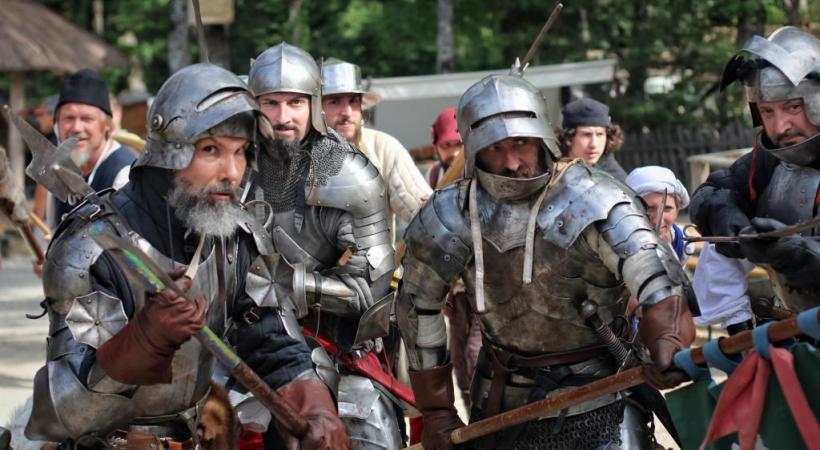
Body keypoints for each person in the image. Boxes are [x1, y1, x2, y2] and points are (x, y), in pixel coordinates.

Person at [24, 63, 347, 450]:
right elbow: (68, 411)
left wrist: (315, 411)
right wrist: (143, 341)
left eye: (240, 152)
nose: (231, 172)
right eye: (211, 150)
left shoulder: (235, 238)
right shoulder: (87, 246)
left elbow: (276, 345)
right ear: (169, 154)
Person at [397, 72, 695, 450]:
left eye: (520, 143)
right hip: (499, 403)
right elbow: (417, 306)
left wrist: (667, 338)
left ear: (542, 139)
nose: (510, 163)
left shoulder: (594, 197)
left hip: (601, 392)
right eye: (494, 148)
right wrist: (438, 410)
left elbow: (655, 274)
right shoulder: (452, 213)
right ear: (473, 151)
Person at [247, 42, 403, 449]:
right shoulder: (233, 163)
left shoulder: (347, 173)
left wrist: (289, 283)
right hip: (239, 341)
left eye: (295, 103)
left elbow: (370, 290)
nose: (283, 117)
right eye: (271, 103)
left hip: (329, 343)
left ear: (313, 105)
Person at [689, 26, 820, 312]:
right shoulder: (770, 160)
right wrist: (728, 218)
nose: (780, 127)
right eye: (768, 111)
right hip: (797, 329)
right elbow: (712, 191)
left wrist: (805, 256)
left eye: (793, 107)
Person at [321, 57, 431, 231]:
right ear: (316, 108)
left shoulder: (384, 148)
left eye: (353, 101)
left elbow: (422, 214)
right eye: (334, 101)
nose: (347, 112)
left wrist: (433, 214)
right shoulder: (298, 156)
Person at [625, 165, 691, 260]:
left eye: (667, 209)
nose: (657, 221)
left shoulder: (683, 243)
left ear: (677, 210)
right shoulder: (617, 249)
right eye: (648, 209)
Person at [556, 97, 628, 181]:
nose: (594, 144)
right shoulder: (549, 168)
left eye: (600, 134)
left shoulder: (615, 177)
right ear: (568, 137)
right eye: (586, 135)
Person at [426, 107, 463, 188]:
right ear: (436, 147)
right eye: (446, 145)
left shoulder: (480, 177)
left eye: (459, 144)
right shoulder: (433, 175)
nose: (454, 153)